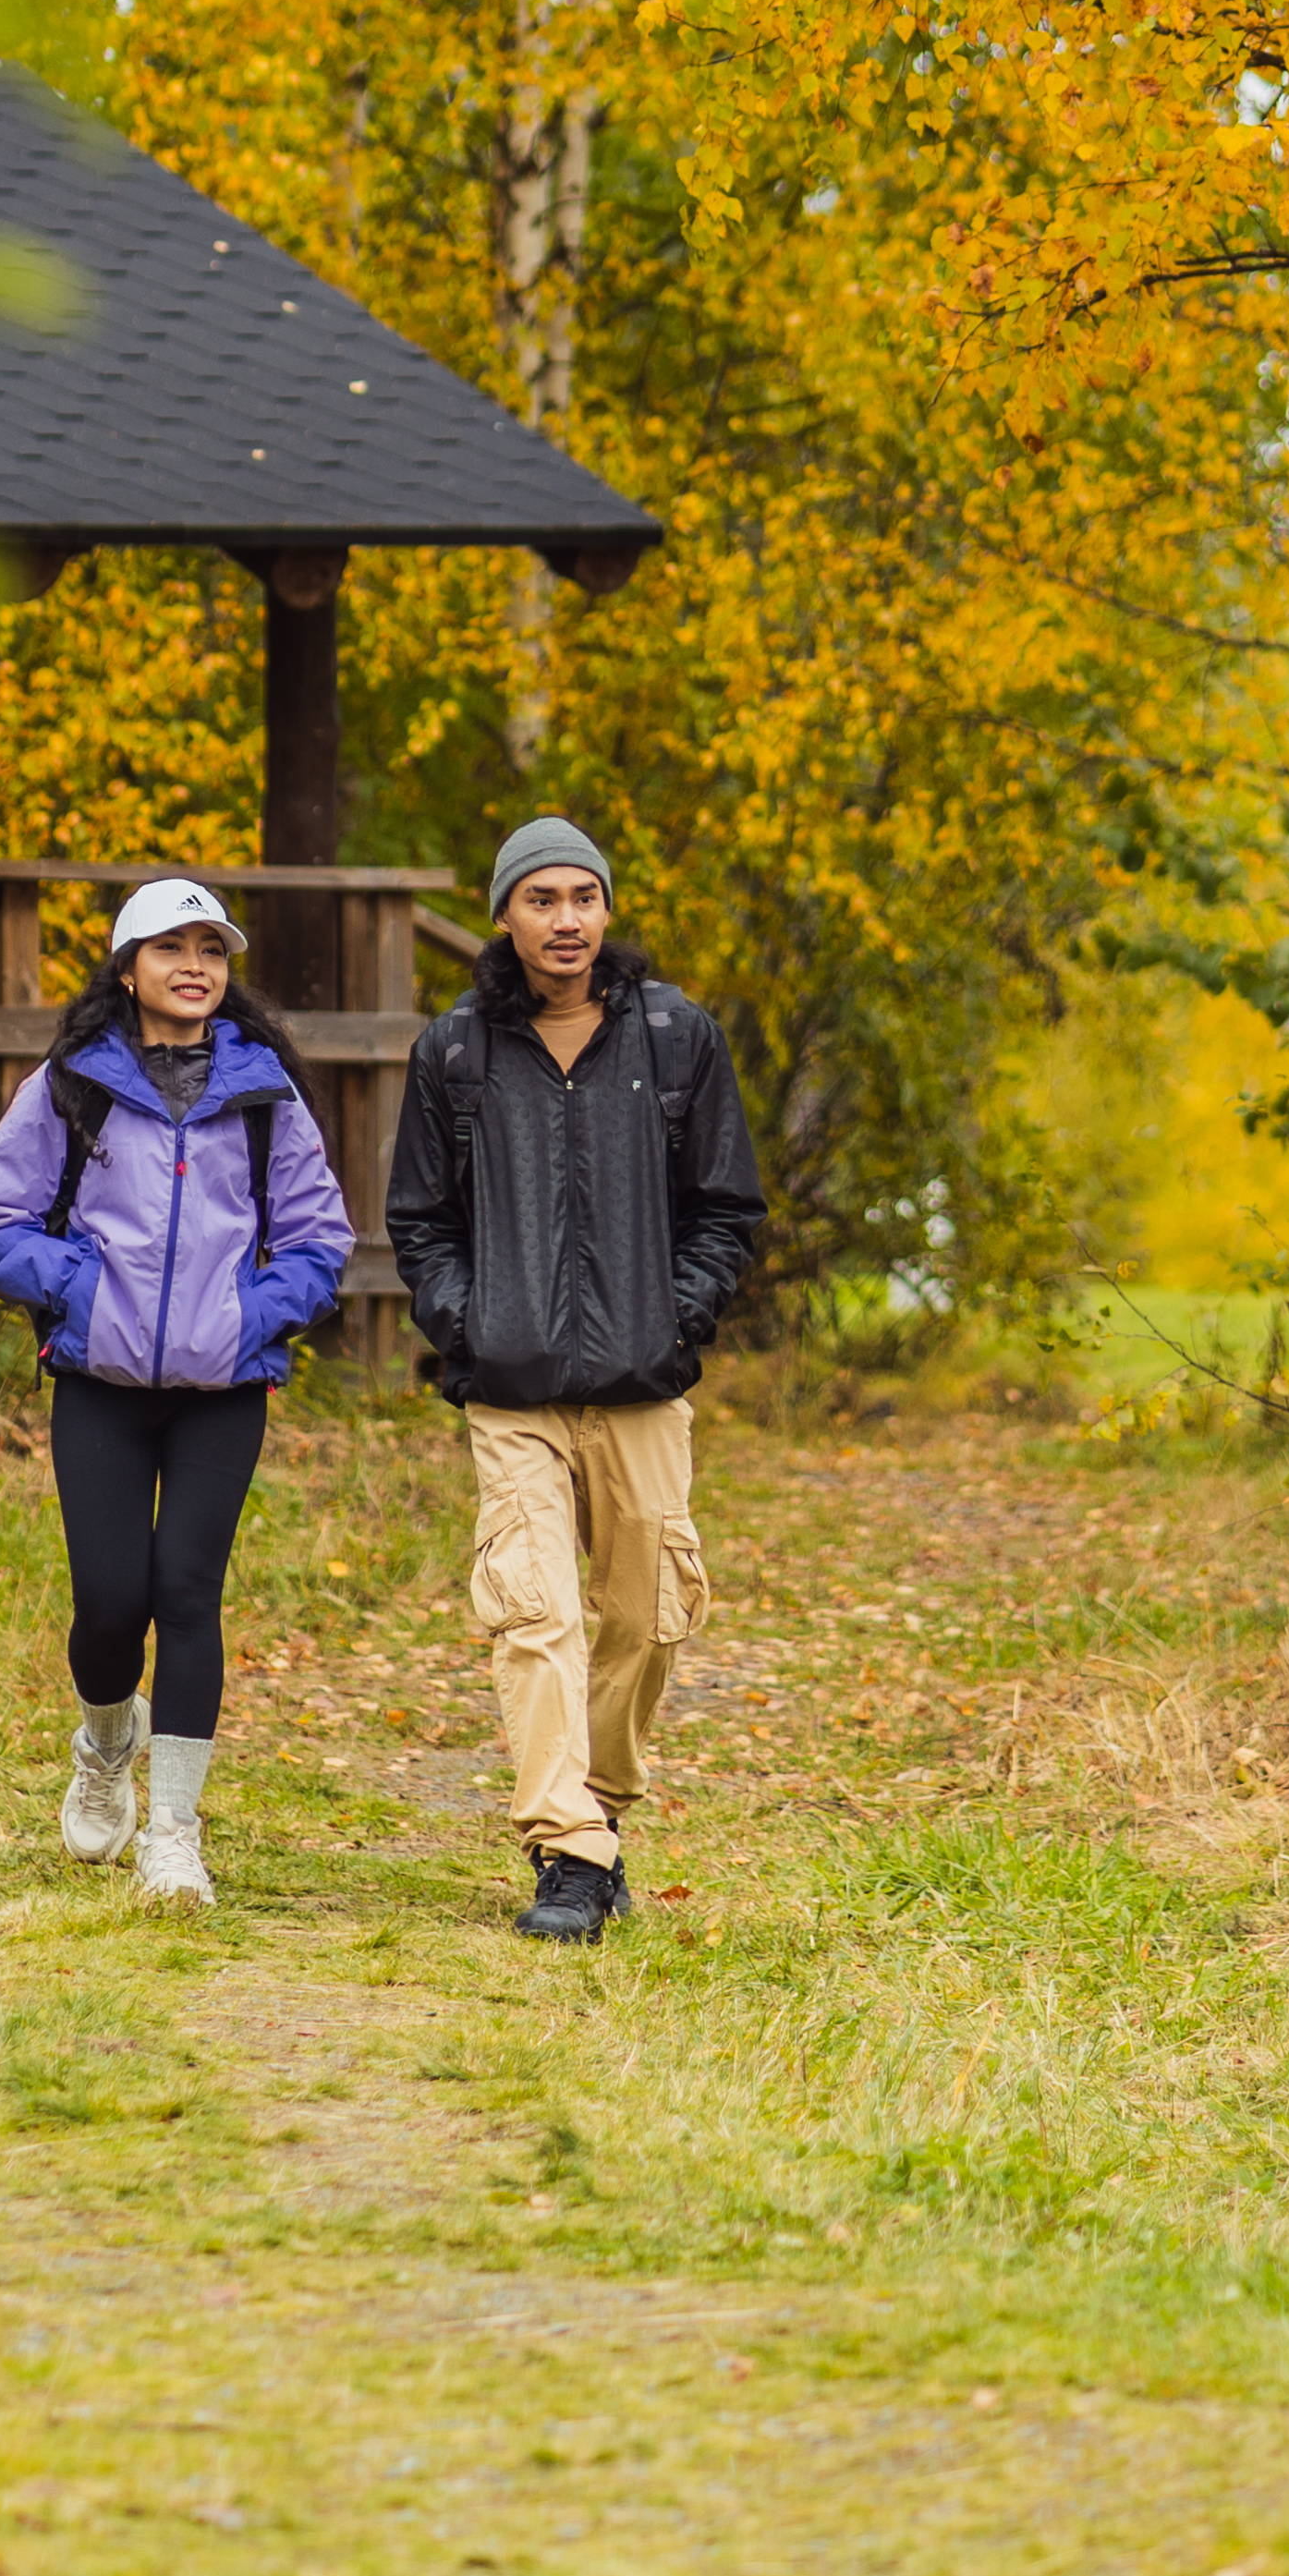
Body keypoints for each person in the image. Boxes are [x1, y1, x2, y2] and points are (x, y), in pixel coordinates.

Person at [384, 814, 763, 1942]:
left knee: (650, 1615)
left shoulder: (673, 1034)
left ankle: (596, 1810)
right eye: (540, 898)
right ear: (504, 914)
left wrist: (676, 1309)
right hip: (511, 1388)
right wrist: (471, 1319)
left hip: (643, 1382)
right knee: (536, 1610)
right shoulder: (455, 1050)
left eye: (582, 897)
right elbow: (419, 1220)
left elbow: (727, 1206)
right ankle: (568, 1848)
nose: (564, 919)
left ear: (606, 910)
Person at [0, 872, 351, 1903]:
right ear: (127, 968)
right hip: (101, 1378)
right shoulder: (72, 1084)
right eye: (173, 948)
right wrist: (81, 1292)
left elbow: (320, 1238)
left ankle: (173, 1831)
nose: (196, 966)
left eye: (213, 950)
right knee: (109, 1603)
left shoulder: (266, 1090)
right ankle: (103, 1741)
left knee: (187, 1590)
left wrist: (250, 1314)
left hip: (221, 1384)